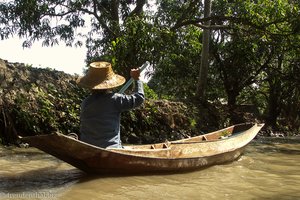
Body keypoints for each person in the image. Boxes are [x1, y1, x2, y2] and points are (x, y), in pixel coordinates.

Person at [76, 61, 144, 148]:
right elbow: (139, 98)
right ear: (110, 85)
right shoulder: (116, 99)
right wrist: (137, 79)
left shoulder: (85, 102)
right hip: (111, 148)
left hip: (87, 148)